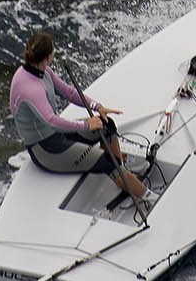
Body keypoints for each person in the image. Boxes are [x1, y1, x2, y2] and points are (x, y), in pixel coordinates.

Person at [9, 31, 150, 204]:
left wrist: (97, 107)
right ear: (47, 57)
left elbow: (68, 92)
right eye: (53, 53)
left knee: (106, 124)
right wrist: (86, 126)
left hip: (57, 136)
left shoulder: (43, 71)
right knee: (106, 162)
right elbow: (52, 121)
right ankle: (147, 197)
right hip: (47, 149)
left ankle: (122, 173)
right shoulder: (29, 88)